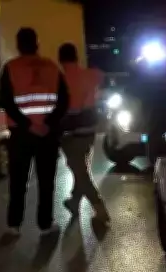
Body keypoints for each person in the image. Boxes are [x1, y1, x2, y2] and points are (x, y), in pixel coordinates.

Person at [0, 28, 69, 236]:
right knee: (46, 182)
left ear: (18, 45)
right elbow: (63, 101)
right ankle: (45, 224)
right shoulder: (52, 67)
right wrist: (47, 123)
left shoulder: (10, 68)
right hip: (47, 134)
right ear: (37, 44)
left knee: (18, 182)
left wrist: (27, 124)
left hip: (21, 135)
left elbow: (7, 102)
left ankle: (14, 225)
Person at [58, 42, 109, 223]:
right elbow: (102, 77)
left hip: (72, 133)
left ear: (60, 59)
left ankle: (99, 207)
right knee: (80, 167)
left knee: (79, 170)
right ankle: (74, 201)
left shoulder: (61, 79)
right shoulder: (91, 75)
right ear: (76, 57)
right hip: (89, 130)